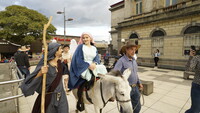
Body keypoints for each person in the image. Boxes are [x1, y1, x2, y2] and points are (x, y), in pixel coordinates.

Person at [20, 42, 69, 113]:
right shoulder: (45, 65)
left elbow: (66, 72)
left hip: (61, 97)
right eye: (60, 49)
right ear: (55, 51)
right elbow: (31, 82)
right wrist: (40, 73)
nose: (62, 50)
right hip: (49, 99)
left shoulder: (60, 63)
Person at [68, 32, 107, 111]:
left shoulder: (94, 48)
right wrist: (88, 65)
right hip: (83, 66)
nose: (85, 39)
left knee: (103, 68)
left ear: (90, 38)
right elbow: (78, 59)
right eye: (83, 38)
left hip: (93, 65)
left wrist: (95, 64)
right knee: (87, 76)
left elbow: (96, 59)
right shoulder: (80, 47)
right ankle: (81, 96)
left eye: (87, 37)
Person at [114, 43, 143, 113]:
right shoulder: (121, 61)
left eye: (135, 50)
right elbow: (115, 74)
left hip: (135, 87)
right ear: (126, 50)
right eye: (131, 49)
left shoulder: (134, 60)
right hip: (126, 89)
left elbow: (135, 73)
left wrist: (139, 83)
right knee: (125, 109)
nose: (133, 52)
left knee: (137, 107)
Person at [185, 47, 200, 113]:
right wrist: (191, 57)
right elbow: (188, 69)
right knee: (196, 109)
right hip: (197, 85)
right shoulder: (197, 58)